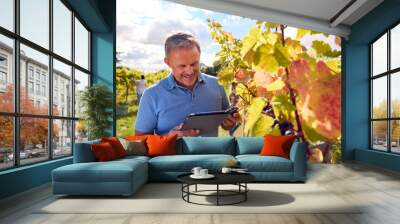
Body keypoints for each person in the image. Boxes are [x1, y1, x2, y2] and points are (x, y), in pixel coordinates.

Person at [135, 32, 240, 137]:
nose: (189, 71)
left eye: (194, 64)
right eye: (182, 66)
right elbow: (139, 139)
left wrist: (229, 123)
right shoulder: (152, 95)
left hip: (212, 153)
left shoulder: (217, 85)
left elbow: (225, 124)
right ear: (168, 62)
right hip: (171, 154)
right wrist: (168, 138)